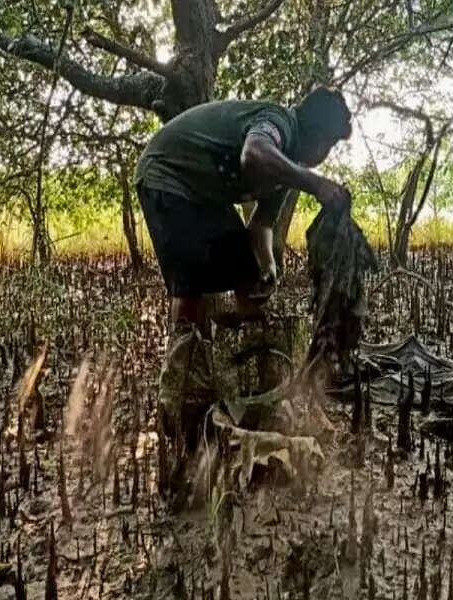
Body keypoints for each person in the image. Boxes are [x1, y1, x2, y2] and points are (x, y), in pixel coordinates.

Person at [134, 87, 353, 467]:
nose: (324, 156)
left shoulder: (283, 169)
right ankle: (182, 406)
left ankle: (256, 386)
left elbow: (261, 226)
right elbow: (253, 155)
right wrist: (316, 184)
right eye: (330, 145)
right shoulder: (278, 123)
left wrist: (267, 265)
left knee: (249, 275)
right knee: (193, 288)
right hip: (167, 176)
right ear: (317, 135)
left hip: (203, 195)